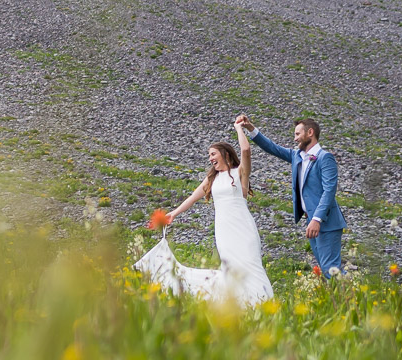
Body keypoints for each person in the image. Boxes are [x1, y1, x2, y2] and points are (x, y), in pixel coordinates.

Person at [133, 121, 274, 306]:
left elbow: (246, 150)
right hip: (224, 230)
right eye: (209, 155)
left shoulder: (239, 173)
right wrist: (173, 214)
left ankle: (263, 302)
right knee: (230, 269)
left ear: (225, 154)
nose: (210, 158)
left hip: (243, 228)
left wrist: (239, 128)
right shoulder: (212, 179)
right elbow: (193, 197)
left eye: (213, 154)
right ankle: (239, 305)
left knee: (250, 264)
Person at [237, 115, 346, 278]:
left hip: (326, 221)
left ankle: (353, 300)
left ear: (310, 133)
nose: (295, 139)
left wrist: (317, 219)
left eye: (297, 134)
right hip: (311, 221)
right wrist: (251, 128)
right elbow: (272, 147)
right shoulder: (297, 156)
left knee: (332, 269)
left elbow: (329, 190)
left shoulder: (325, 158)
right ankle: (346, 300)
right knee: (326, 269)